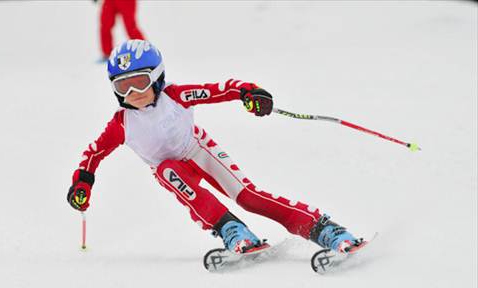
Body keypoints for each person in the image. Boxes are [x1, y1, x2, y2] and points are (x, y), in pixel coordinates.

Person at [68, 40, 364, 255]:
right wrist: (83, 182)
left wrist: (248, 93)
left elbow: (219, 90)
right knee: (167, 171)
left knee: (248, 197)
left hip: (199, 151)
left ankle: (324, 229)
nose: (134, 93)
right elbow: (93, 154)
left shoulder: (176, 96)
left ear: (157, 77)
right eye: (123, 87)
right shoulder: (122, 123)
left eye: (140, 82)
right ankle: (232, 230)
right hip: (173, 169)